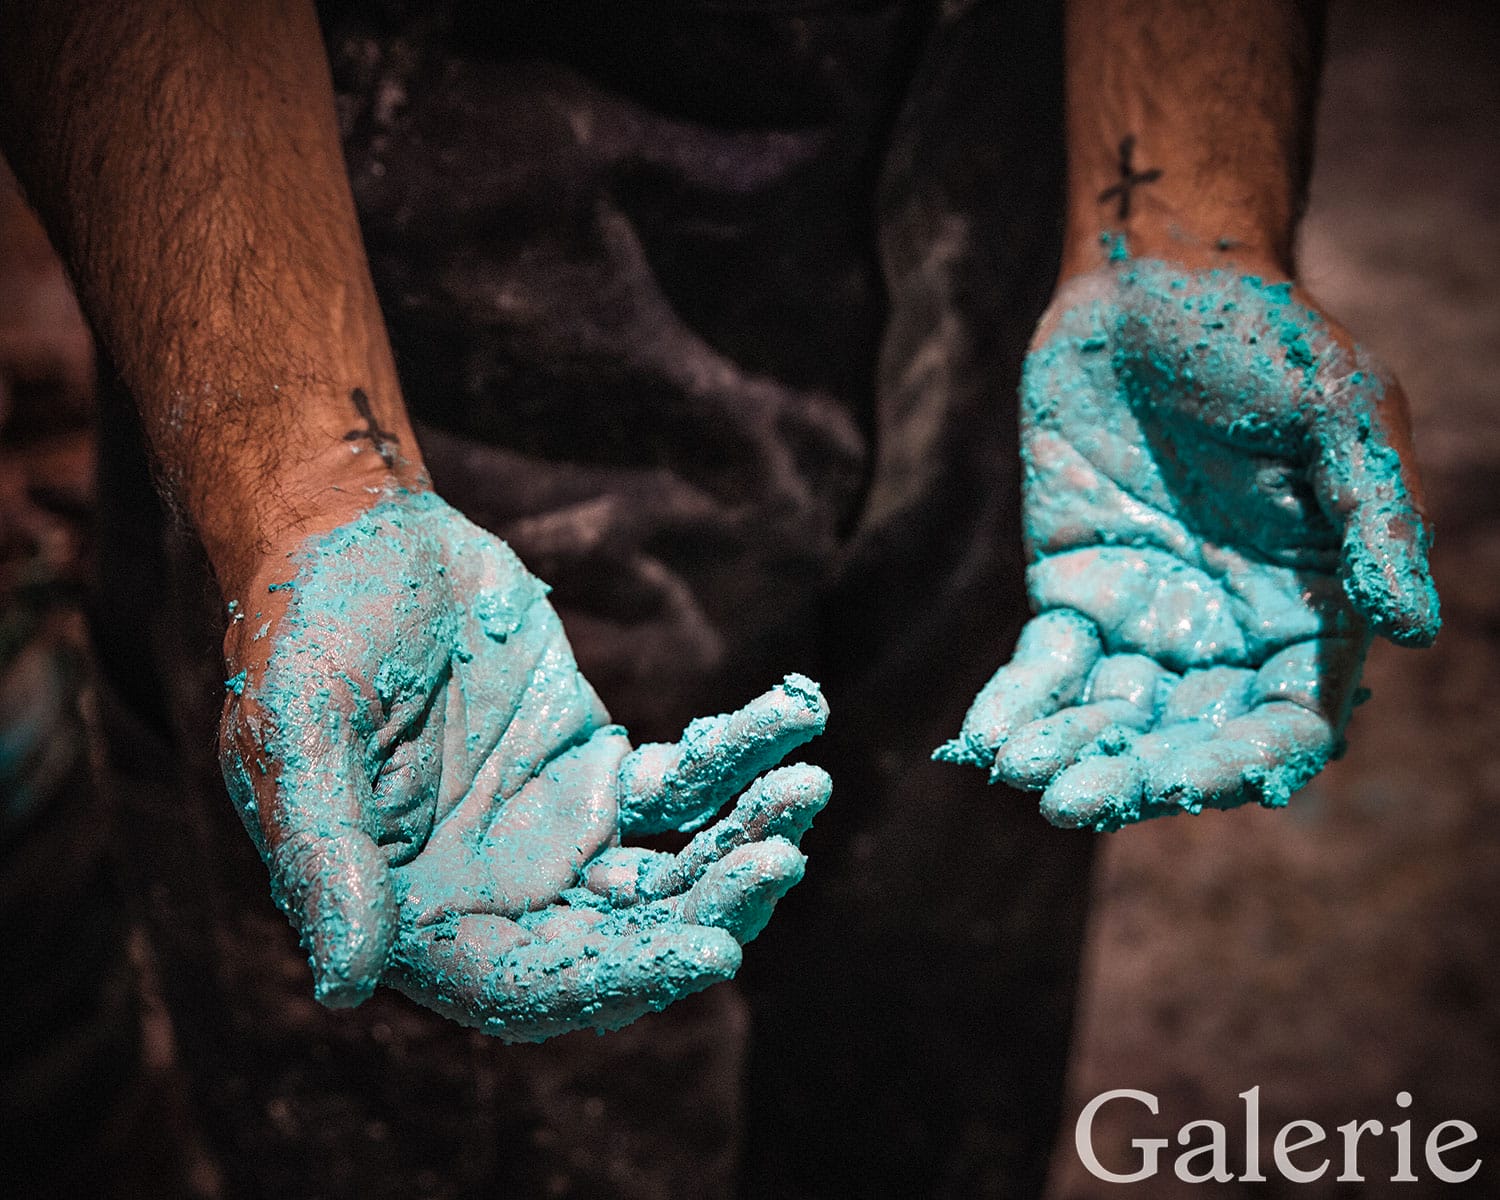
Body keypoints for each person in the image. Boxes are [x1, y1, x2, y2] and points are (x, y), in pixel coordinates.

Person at [0, 0, 1437, 1196]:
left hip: (1020, 306)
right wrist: (313, 486)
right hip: (416, 334)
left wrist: (1181, 222)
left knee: (927, 1084)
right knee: (488, 1117)